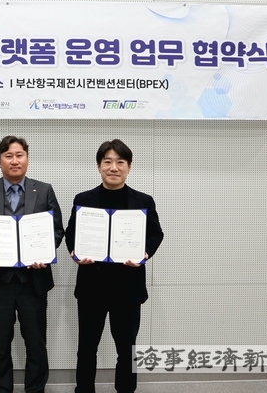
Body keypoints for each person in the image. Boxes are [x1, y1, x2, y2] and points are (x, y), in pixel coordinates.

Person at [0, 136, 64, 393]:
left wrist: (45, 253)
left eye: (19, 155)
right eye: (8, 156)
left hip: (34, 281)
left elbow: (56, 230)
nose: (14, 160)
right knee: (0, 344)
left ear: (27, 159)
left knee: (36, 344)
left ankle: (35, 390)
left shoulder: (44, 190)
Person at [65, 139, 164, 393]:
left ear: (129, 167)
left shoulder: (143, 201)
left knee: (127, 349)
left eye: (120, 162)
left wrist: (144, 253)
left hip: (128, 287)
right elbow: (71, 234)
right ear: (99, 166)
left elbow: (156, 234)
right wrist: (75, 253)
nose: (113, 167)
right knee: (87, 348)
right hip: (92, 286)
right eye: (107, 161)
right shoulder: (84, 200)